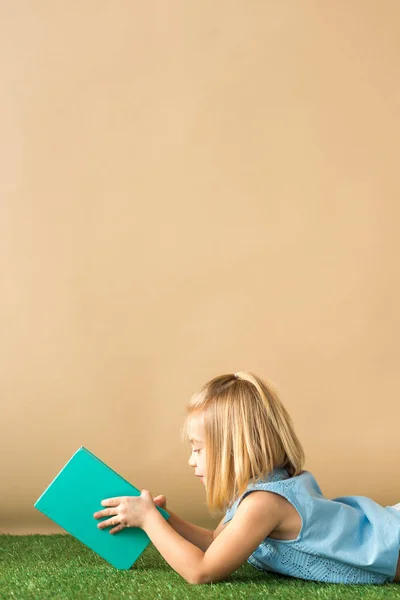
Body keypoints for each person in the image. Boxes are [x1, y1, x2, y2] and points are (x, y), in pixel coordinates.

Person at [97, 371, 400, 585]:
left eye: (198, 449)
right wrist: (165, 518)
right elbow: (217, 543)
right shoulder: (256, 491)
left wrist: (149, 521)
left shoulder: (264, 503)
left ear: (234, 450)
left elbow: (202, 571)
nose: (191, 460)